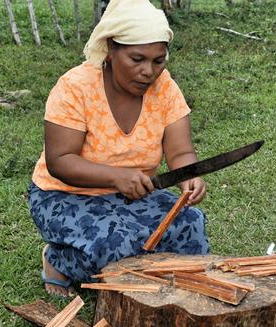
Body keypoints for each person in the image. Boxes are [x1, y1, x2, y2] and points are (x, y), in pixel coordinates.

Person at [28, 0, 210, 298]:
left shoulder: (165, 88)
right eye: (137, 58)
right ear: (111, 50)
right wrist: (117, 177)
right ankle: (57, 260)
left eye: (158, 61)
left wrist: (189, 175)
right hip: (62, 196)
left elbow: (180, 153)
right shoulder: (76, 87)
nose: (148, 71)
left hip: (131, 194)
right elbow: (60, 161)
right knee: (114, 246)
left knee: (190, 226)